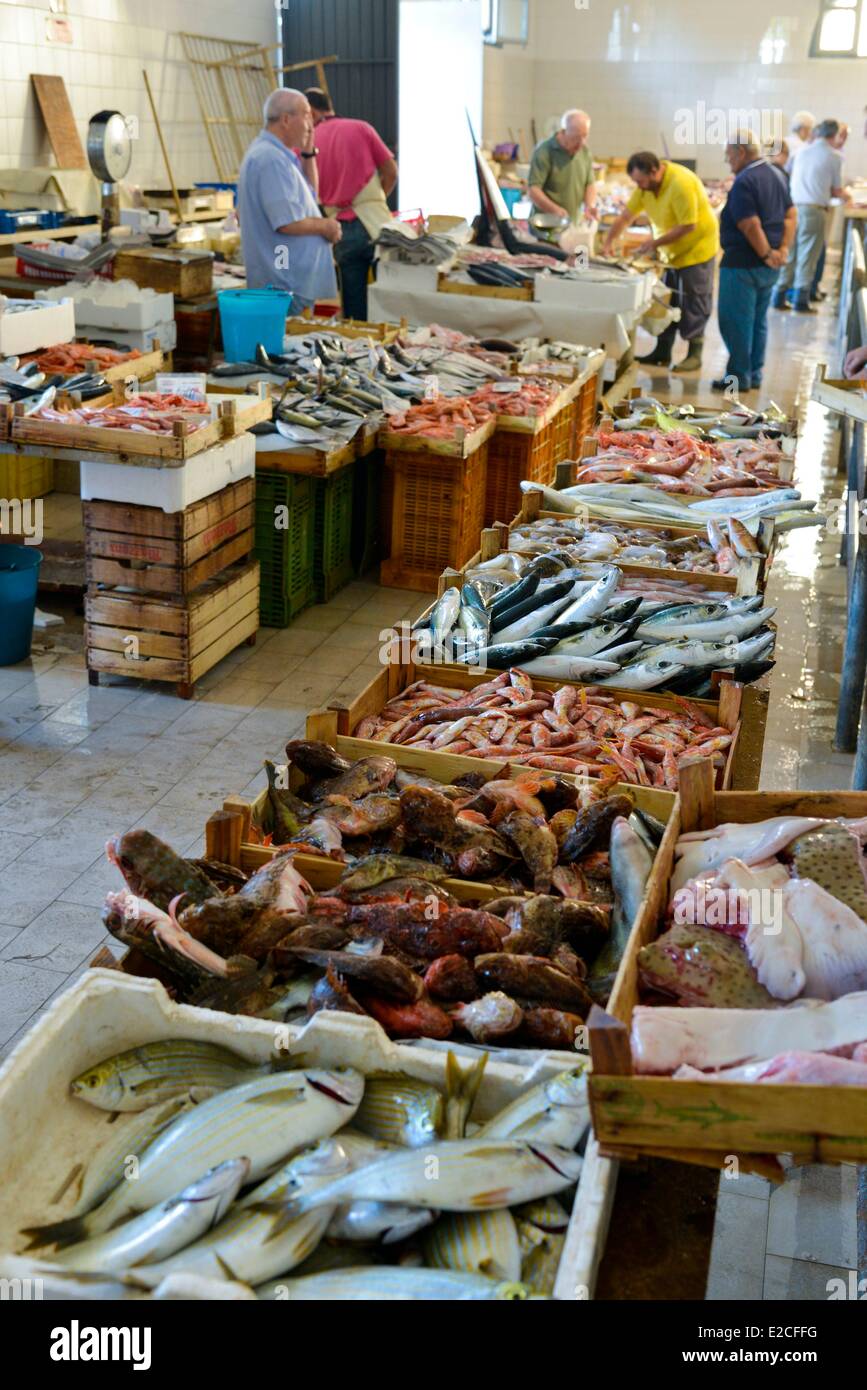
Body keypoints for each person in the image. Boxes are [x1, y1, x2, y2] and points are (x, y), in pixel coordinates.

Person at [601, 151, 719, 372]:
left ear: (655, 171)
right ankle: (663, 351)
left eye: (641, 180)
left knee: (695, 300)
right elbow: (626, 216)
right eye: (636, 182)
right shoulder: (646, 188)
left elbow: (688, 225)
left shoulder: (680, 183)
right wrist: (608, 242)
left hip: (697, 249)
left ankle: (695, 354)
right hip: (670, 252)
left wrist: (653, 243)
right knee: (667, 300)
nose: (639, 186)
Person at [237, 88, 340, 311]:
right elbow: (286, 222)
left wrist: (309, 152)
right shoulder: (271, 160)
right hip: (284, 285)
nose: (312, 124)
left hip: (290, 284)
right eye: (306, 115)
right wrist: (326, 226)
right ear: (285, 119)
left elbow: (311, 195)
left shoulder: (280, 156)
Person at [713, 131, 795, 395]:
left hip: (743, 264)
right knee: (757, 321)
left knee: (735, 322)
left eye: (729, 155)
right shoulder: (778, 174)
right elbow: (791, 215)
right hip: (768, 267)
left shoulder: (745, 180)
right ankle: (754, 373)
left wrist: (765, 253)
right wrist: (781, 250)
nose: (728, 161)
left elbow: (749, 224)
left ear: (741, 152)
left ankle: (737, 379)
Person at [305, 87, 398, 321]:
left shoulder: (308, 143)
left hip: (340, 230)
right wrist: (375, 199)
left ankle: (360, 349)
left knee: (355, 307)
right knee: (388, 299)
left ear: (312, 112)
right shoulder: (361, 128)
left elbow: (305, 192)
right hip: (376, 222)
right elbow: (391, 172)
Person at [772, 117, 846, 313]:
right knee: (808, 255)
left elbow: (786, 175)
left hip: (793, 207)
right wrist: (848, 196)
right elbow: (837, 190)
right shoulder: (834, 156)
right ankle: (801, 301)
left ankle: (778, 296)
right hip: (814, 210)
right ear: (835, 134)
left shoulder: (800, 152)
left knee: (790, 251)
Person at [527, 110, 597, 223]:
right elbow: (533, 190)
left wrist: (589, 206)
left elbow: (590, 184)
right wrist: (555, 210)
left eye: (585, 136)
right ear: (563, 132)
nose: (582, 142)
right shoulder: (545, 151)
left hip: (573, 224)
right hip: (547, 224)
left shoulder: (584, 152)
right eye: (576, 138)